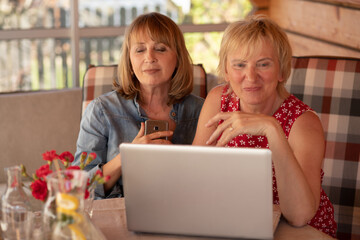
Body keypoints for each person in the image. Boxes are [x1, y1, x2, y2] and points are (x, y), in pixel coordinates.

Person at [192, 15, 337, 237]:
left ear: (281, 71)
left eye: (263, 64)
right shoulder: (218, 99)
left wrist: (272, 129)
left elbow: (298, 216)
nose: (250, 76)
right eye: (239, 65)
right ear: (227, 71)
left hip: (297, 230)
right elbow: (193, 174)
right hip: (237, 221)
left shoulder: (304, 122)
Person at [73, 12, 204, 199]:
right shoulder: (101, 111)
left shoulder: (201, 110)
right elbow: (78, 188)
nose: (149, 57)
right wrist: (127, 157)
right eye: (140, 50)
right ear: (129, 59)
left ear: (178, 57)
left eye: (160, 48)